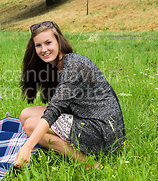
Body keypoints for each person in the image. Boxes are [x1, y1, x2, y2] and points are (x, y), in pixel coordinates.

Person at [13, 21, 125, 169]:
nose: (43, 49)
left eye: (48, 43)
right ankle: (55, 145)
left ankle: (89, 163)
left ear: (58, 41)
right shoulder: (57, 65)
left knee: (30, 126)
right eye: (38, 45)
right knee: (25, 114)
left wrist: (27, 147)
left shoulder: (74, 65)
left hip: (101, 131)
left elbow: (54, 110)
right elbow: (59, 106)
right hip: (85, 116)